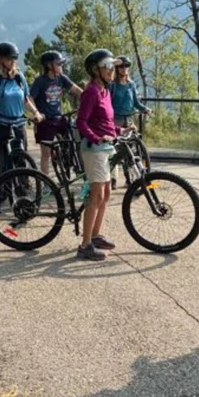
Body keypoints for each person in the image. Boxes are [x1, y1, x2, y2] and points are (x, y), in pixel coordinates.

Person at [0, 42, 44, 195]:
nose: (13, 62)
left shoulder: (19, 77)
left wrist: (35, 112)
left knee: (20, 160)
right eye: (10, 59)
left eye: (15, 59)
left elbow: (26, 99)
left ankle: (22, 195)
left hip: (18, 124)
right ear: (1, 59)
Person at [75, 49, 119, 262]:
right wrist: (96, 137)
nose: (112, 70)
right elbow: (81, 122)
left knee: (107, 194)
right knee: (97, 196)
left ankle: (95, 235)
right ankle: (85, 246)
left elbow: (106, 122)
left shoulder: (105, 91)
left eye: (112, 66)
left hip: (105, 148)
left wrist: (119, 131)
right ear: (95, 70)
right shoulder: (91, 91)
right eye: (108, 66)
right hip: (93, 149)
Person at [30, 49, 82, 174]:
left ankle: (70, 161)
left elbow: (78, 90)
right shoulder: (40, 81)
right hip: (45, 120)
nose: (61, 66)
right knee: (46, 154)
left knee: (74, 141)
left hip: (59, 118)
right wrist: (36, 113)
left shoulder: (61, 78)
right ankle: (46, 183)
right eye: (58, 63)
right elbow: (29, 98)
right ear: (49, 65)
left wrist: (86, 102)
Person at [108, 55, 151, 188]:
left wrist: (145, 109)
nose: (124, 69)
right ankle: (113, 179)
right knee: (115, 151)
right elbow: (107, 103)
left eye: (127, 66)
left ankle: (130, 179)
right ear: (116, 68)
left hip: (129, 119)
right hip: (116, 120)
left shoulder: (131, 84)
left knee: (130, 150)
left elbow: (136, 102)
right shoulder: (112, 85)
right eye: (121, 66)